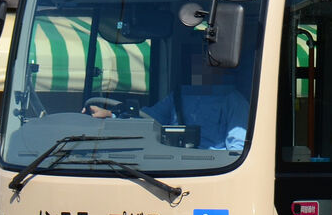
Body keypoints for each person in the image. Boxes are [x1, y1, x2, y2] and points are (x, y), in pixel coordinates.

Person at [87, 62, 249, 151]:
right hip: (170, 164)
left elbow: (237, 150)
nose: (205, 65)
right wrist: (110, 115)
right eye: (202, 59)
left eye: (210, 61)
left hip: (210, 171)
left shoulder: (234, 101)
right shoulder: (180, 95)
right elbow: (148, 119)